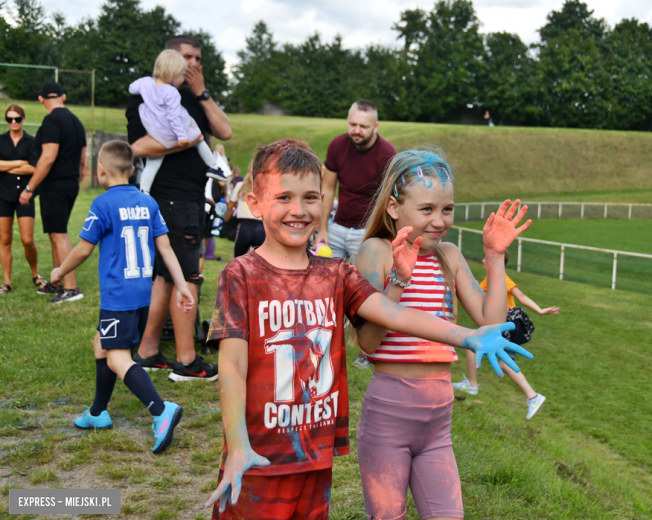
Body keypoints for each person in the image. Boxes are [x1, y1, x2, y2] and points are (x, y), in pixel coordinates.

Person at [203, 139, 531, 519]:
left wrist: (477, 309)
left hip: (324, 450)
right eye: (283, 198)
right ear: (255, 202)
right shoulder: (244, 273)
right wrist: (237, 444)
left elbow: (407, 316)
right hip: (283, 445)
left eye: (311, 197)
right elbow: (234, 367)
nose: (299, 210)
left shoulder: (337, 272)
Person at [353, 150, 532, 520]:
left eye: (447, 209)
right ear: (392, 207)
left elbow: (490, 322)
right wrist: (399, 280)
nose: (439, 221)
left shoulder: (448, 257)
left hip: (438, 420)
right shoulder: (376, 252)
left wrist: (494, 257)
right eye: (427, 209)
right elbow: (367, 343)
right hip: (388, 415)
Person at [50, 141, 194, 453]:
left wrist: (60, 271)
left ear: (101, 171)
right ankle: (98, 412)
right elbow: (166, 247)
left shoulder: (102, 204)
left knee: (117, 357)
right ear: (131, 170)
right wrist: (181, 284)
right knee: (101, 343)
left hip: (119, 297)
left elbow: (84, 248)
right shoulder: (148, 202)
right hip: (142, 294)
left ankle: (160, 410)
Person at [128, 34, 232, 382]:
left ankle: (147, 350)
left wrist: (201, 94)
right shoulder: (147, 96)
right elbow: (139, 146)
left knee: (164, 277)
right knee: (187, 275)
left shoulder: (192, 97)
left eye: (198, 58)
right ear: (169, 57)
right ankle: (187, 360)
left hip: (189, 196)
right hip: (170, 198)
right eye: (187, 57)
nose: (194, 64)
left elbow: (225, 131)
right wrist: (185, 138)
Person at [315, 99, 396, 369]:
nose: (356, 130)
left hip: (367, 232)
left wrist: (381, 237)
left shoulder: (387, 153)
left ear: (376, 126)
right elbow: (328, 187)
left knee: (364, 293)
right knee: (326, 286)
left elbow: (387, 199)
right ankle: (322, 342)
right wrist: (322, 229)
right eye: (352, 124)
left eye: (363, 126)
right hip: (337, 227)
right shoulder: (337, 145)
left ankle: (364, 349)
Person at [453, 251, 559, 420]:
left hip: (506, 321)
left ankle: (532, 396)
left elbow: (520, 296)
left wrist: (539, 310)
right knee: (476, 348)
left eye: (485, 258)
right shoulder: (492, 277)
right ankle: (473, 385)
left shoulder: (501, 277)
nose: (482, 260)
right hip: (502, 321)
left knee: (495, 357)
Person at [18, 81, 87, 303]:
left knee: (59, 235)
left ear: (41, 99)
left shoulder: (51, 121)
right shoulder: (76, 121)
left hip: (56, 184)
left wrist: (30, 188)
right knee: (56, 231)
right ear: (63, 97)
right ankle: (57, 282)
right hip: (70, 182)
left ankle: (71, 288)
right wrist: (75, 177)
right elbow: (83, 159)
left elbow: (48, 157)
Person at [129, 49, 227, 193]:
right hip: (169, 129)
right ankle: (213, 167)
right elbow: (174, 116)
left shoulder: (145, 83)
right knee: (199, 139)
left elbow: (132, 88)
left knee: (153, 162)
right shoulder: (172, 93)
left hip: (154, 128)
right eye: (181, 75)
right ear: (172, 74)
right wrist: (182, 136)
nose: (183, 79)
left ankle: (145, 190)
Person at [0, 104, 50, 295]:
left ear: (24, 119)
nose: (13, 122)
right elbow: (25, 165)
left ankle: (35, 273)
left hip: (24, 195)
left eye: (17, 119)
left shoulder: (32, 142)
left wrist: (6, 166)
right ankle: (7, 282)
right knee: (4, 239)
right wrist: (19, 163)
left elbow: (35, 167)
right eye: (9, 119)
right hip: (2, 194)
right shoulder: (1, 140)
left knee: (27, 239)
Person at [226, 169, 264, 257]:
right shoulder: (266, 188)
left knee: (237, 260)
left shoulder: (240, 186)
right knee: (259, 263)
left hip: (244, 227)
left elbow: (230, 205)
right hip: (261, 228)